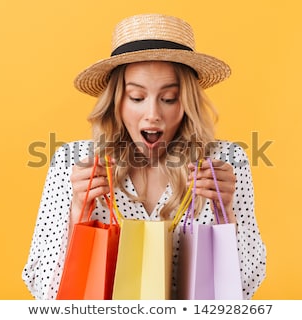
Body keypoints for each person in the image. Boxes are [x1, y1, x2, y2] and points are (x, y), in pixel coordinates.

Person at [22, 13, 266, 300]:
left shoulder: (224, 161)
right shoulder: (74, 163)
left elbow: (245, 289)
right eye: (137, 97)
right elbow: (44, 291)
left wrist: (227, 213)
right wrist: (78, 211)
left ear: (186, 102)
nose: (153, 115)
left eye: (169, 98)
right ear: (117, 100)